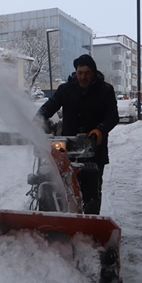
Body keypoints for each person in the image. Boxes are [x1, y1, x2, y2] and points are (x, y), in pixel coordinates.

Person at [36, 54, 119, 215]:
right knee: (57, 181)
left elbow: (112, 117)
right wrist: (37, 121)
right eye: (80, 72)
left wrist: (99, 130)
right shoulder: (65, 90)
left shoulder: (105, 90)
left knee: (91, 187)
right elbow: (49, 107)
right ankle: (56, 216)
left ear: (94, 72)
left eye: (87, 73)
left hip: (93, 147)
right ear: (76, 72)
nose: (83, 77)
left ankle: (90, 222)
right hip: (66, 147)